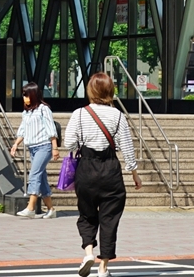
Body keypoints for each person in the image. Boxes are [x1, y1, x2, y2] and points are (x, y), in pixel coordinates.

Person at [63, 72, 141, 277]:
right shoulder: (118, 116)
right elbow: (127, 147)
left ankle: (88, 252)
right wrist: (134, 174)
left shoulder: (79, 113)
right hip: (110, 172)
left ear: (90, 90)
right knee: (110, 219)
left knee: (87, 215)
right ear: (110, 91)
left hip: (86, 171)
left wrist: (83, 138)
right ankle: (103, 267)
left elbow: (69, 144)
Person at [9, 82, 59, 219]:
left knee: (34, 174)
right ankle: (51, 209)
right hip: (32, 148)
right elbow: (23, 129)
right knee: (41, 179)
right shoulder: (26, 112)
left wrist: (55, 147)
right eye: (23, 95)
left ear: (33, 95)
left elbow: (51, 128)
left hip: (44, 146)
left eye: (26, 95)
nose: (25, 98)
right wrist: (16, 144)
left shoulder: (43, 109)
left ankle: (30, 207)